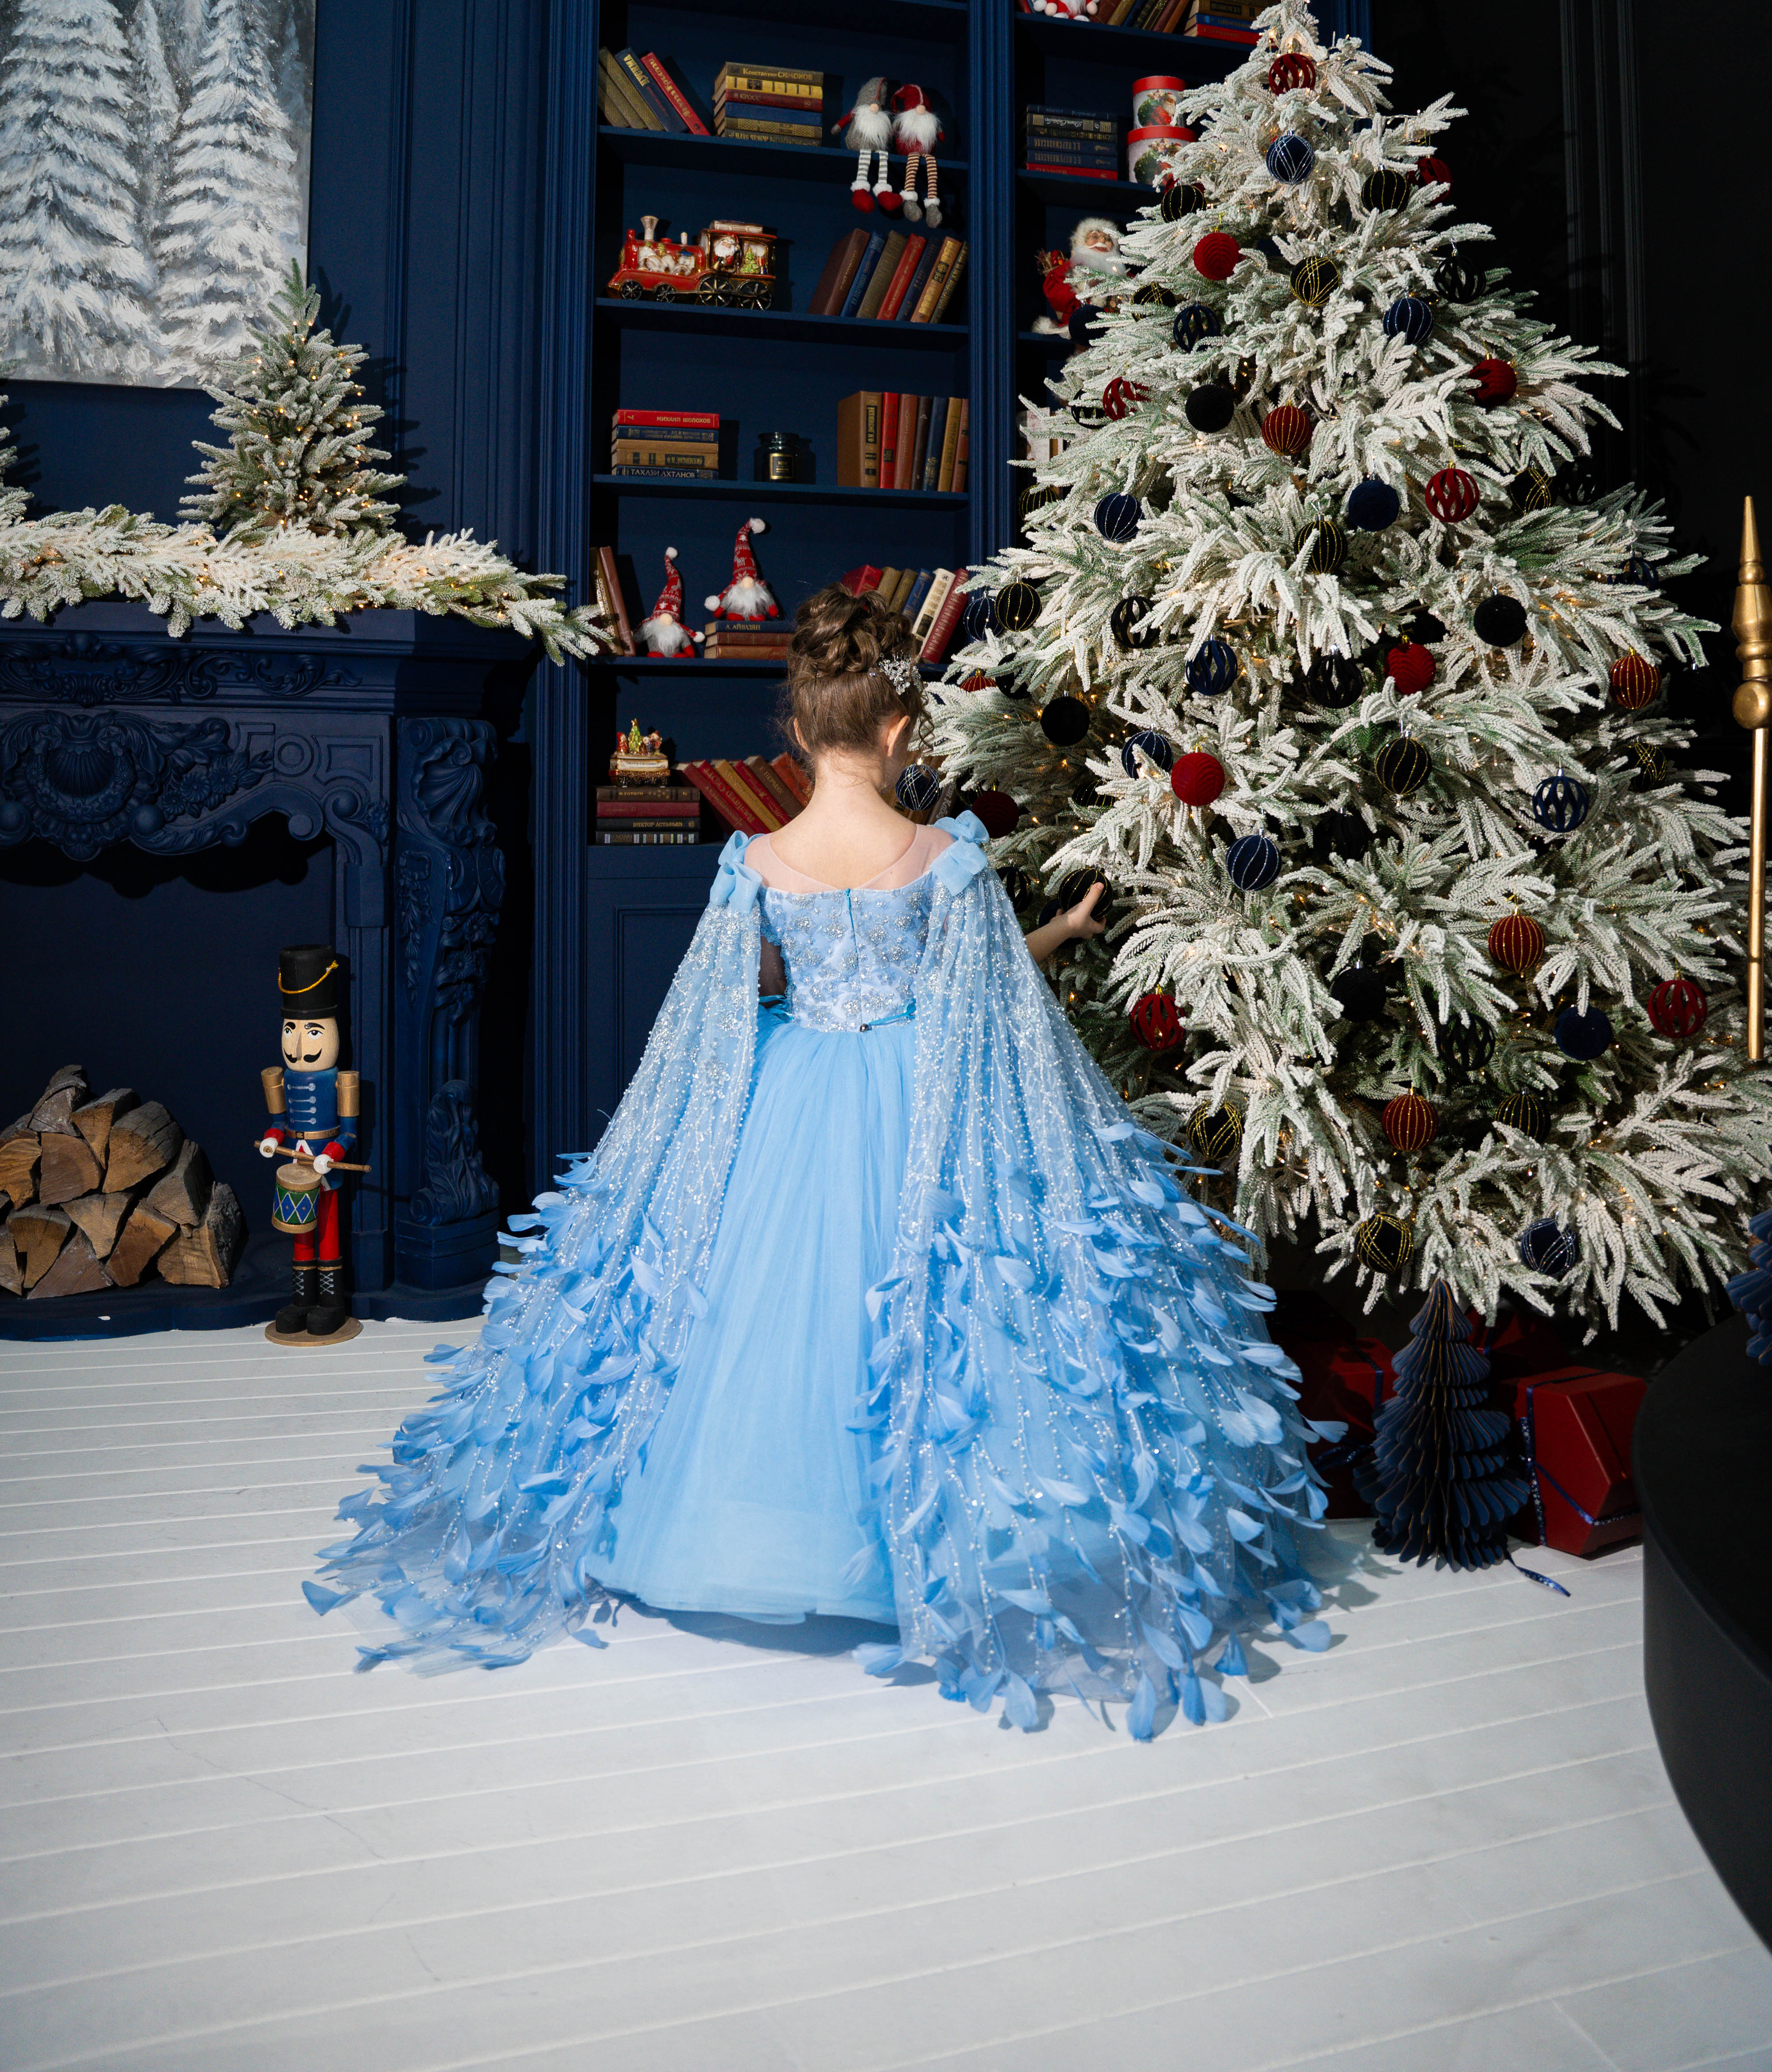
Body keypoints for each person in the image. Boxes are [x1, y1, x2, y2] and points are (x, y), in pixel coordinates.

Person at [307, 589, 1335, 1737]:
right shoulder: (944, 857)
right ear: (902, 731)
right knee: (938, 1295)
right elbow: (989, 998)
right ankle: (941, 1538)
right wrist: (1063, 933)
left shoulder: (758, 860)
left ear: (798, 731)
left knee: (771, 1308)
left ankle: (751, 1526)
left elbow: (727, 1007)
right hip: (916, 1093)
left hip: (790, 1092)